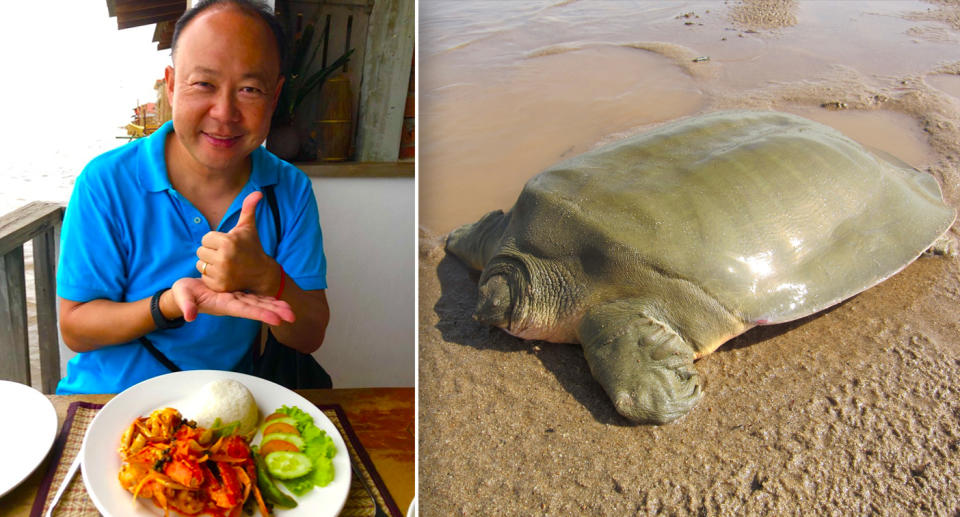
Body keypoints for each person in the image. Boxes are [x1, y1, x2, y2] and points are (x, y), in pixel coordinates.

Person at [55, 0, 330, 394]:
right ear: (170, 83)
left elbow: (309, 336)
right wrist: (167, 304)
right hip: (106, 400)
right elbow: (77, 329)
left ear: (275, 96)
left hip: (221, 414)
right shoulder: (106, 182)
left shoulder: (289, 189)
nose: (224, 112)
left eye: (250, 89)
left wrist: (265, 277)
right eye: (204, 84)